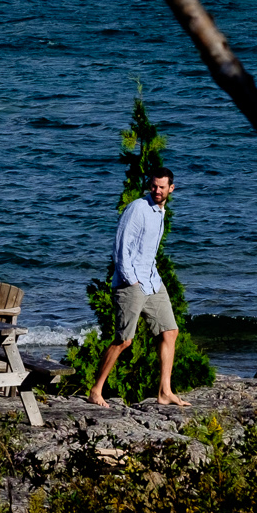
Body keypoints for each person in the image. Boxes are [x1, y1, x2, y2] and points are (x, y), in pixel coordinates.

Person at [86, 167, 190, 408]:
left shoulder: (160, 212)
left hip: (152, 281)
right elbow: (120, 248)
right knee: (124, 340)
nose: (157, 190)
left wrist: (149, 278)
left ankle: (165, 392)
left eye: (161, 187)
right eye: (153, 186)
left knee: (170, 332)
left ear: (170, 189)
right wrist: (132, 281)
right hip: (131, 283)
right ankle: (96, 389)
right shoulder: (137, 209)